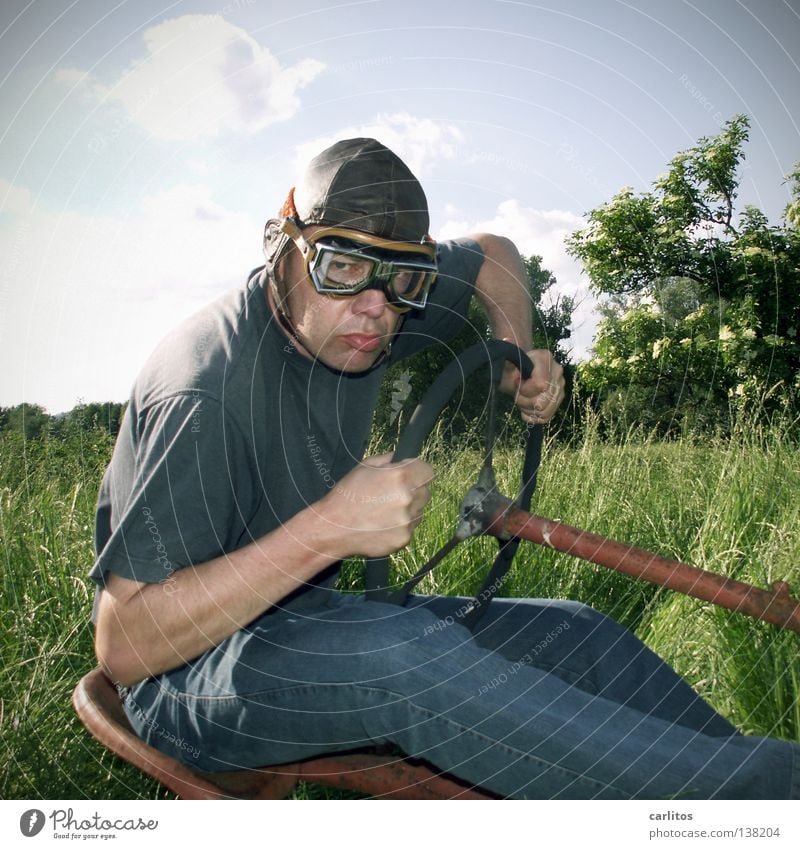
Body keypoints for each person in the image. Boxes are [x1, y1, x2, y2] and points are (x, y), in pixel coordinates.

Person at [89, 138, 799, 799]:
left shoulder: (367, 313)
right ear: (284, 249)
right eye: (340, 267)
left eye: (404, 277)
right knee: (408, 660)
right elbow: (125, 646)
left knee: (579, 632)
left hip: (312, 619)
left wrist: (517, 358)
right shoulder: (203, 389)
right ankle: (763, 795)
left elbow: (495, 254)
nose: (376, 308)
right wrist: (326, 531)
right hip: (187, 681)